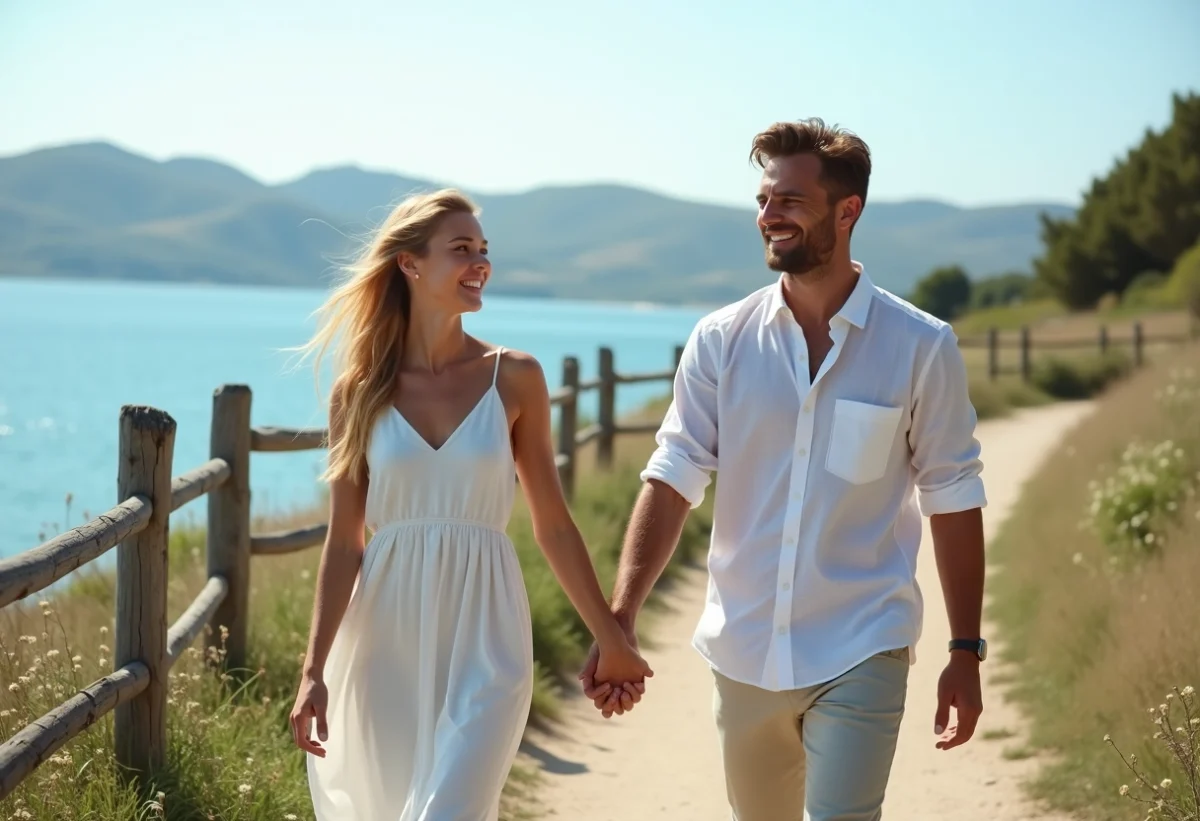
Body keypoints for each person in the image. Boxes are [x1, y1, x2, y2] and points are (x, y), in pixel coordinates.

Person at [580, 118, 989, 820]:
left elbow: (952, 494)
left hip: (865, 640)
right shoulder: (721, 340)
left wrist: (964, 649)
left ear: (846, 210)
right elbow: (675, 472)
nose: (769, 216)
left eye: (790, 201)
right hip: (743, 652)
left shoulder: (921, 346)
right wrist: (619, 619)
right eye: (765, 199)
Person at [287, 188, 652, 820]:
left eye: (484, 250)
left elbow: (554, 526)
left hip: (487, 630)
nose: (480, 262)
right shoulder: (358, 392)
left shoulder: (514, 376)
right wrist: (313, 669)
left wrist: (610, 637)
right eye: (462, 249)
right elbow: (345, 541)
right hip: (384, 637)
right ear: (410, 263)